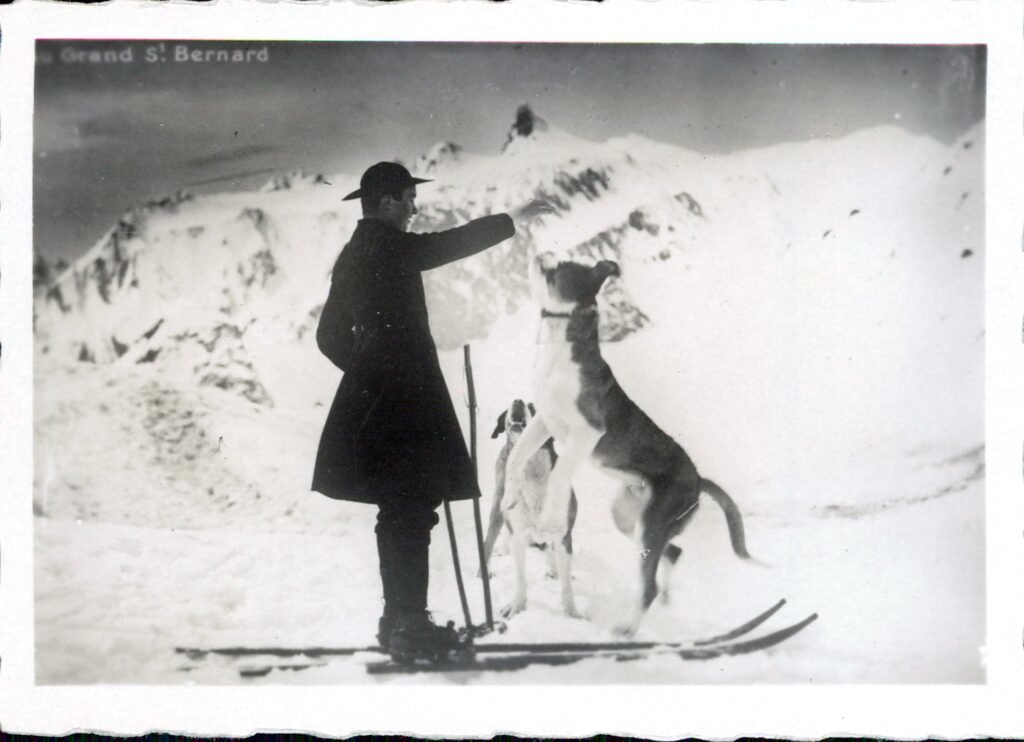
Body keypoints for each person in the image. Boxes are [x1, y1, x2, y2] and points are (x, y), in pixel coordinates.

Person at [312, 161, 549, 658]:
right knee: (413, 508)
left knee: (395, 509)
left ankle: (397, 620)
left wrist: (365, 375)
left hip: (375, 401)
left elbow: (328, 336)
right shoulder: (388, 246)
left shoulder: (353, 254)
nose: (415, 208)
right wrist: (514, 218)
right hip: (406, 400)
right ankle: (411, 627)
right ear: (388, 203)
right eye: (408, 198)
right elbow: (447, 245)